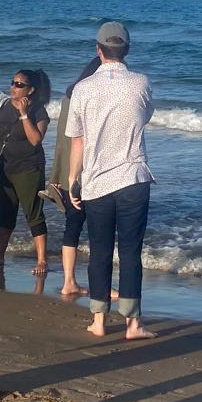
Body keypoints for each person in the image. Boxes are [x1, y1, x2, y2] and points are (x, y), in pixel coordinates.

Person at [66, 21, 155, 340]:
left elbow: (77, 139)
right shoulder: (141, 82)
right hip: (132, 177)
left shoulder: (83, 88)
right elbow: (145, 117)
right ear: (127, 50)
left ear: (98, 49)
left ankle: (99, 320)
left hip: (96, 179)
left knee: (100, 249)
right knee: (131, 251)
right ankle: (134, 324)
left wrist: (72, 179)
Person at [0, 68, 52, 274]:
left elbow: (36, 140)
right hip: (3, 168)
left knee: (33, 214)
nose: (13, 87)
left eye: (19, 85)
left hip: (28, 168)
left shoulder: (38, 111)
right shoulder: (4, 105)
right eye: (13, 82)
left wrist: (24, 115)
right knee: (6, 212)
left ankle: (42, 260)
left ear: (31, 90)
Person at [45, 56, 100, 298]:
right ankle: (101, 286)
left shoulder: (69, 98)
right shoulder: (91, 99)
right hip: (90, 172)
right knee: (100, 229)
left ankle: (69, 282)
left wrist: (56, 174)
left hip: (68, 173)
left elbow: (61, 141)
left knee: (73, 225)